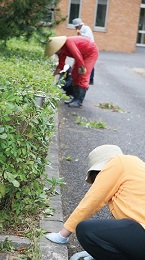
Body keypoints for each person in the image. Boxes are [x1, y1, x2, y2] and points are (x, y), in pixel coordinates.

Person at [45, 144, 145, 260]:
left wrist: (63, 234)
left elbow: (92, 200)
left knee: (85, 229)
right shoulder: (135, 168)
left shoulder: (117, 162)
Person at [44, 36, 99, 108]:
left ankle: (79, 101)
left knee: (83, 76)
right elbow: (61, 65)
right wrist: (52, 76)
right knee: (74, 74)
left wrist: (82, 67)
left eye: (55, 51)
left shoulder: (68, 42)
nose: (56, 53)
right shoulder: (61, 52)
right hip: (81, 55)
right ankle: (75, 98)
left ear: (58, 47)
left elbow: (77, 55)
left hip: (90, 52)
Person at [72, 18, 95, 85]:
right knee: (82, 62)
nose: (76, 28)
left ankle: (91, 78)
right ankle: (82, 76)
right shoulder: (81, 30)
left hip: (90, 47)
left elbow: (87, 37)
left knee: (90, 62)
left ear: (79, 25)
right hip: (84, 48)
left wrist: (80, 34)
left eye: (76, 26)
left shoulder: (86, 28)